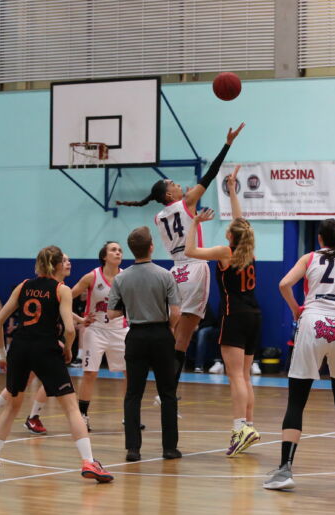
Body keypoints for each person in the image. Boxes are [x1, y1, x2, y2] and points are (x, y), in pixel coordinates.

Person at [116, 123, 244, 394]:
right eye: (172, 184)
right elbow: (210, 175)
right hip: (195, 267)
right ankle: (167, 393)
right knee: (183, 338)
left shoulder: (158, 216)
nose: (177, 184)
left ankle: (160, 382)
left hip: (174, 271)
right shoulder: (186, 202)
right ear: (168, 194)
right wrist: (228, 143)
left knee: (170, 330)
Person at [263, 219, 335, 490]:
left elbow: (283, 284)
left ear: (320, 239)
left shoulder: (310, 257)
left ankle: (285, 470)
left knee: (297, 400)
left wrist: (295, 308)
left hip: (313, 321)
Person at [0, 246, 112, 482]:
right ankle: (89, 462)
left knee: (11, 407)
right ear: (58, 265)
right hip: (46, 349)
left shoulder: (23, 286)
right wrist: (69, 348)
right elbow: (69, 330)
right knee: (72, 408)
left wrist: (1, 354)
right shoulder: (61, 290)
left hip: (19, 348)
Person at [184, 165, 260, 456]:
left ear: (230, 235)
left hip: (235, 315)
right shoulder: (248, 249)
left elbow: (190, 252)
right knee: (246, 376)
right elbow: (242, 222)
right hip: (255, 315)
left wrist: (194, 224)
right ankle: (248, 425)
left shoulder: (226, 252)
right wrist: (231, 190)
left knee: (236, 376)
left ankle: (240, 426)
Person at [108, 226, 182, 462]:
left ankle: (133, 449)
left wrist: (131, 307)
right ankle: (169, 448)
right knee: (167, 393)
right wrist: (169, 327)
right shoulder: (165, 275)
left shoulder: (120, 278)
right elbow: (176, 311)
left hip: (136, 336)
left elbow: (112, 313)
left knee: (133, 394)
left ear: (131, 250)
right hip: (161, 334)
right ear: (151, 246)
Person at [70, 241, 129, 431]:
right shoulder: (91, 277)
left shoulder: (126, 277)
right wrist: (78, 318)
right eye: (113, 250)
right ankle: (83, 416)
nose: (118, 252)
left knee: (130, 373)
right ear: (104, 256)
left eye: (120, 250)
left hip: (120, 330)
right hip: (95, 330)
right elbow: (66, 296)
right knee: (90, 374)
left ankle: (129, 416)